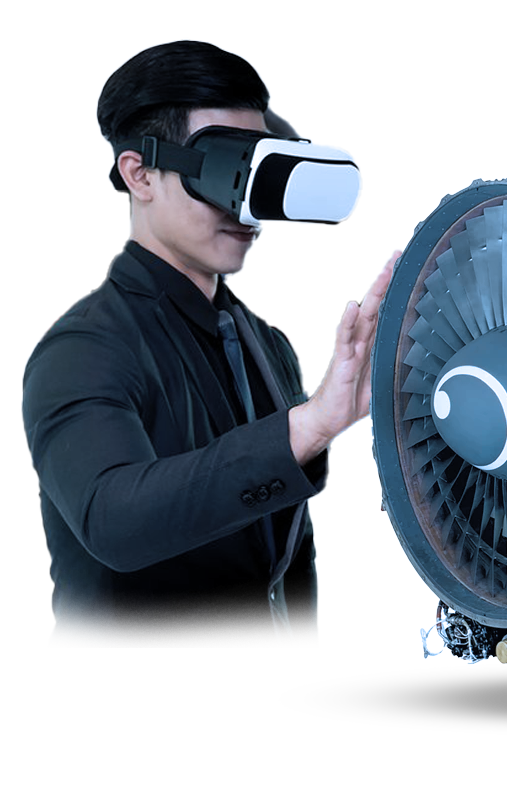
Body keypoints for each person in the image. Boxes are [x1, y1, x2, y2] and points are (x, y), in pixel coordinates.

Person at [21, 40, 400, 647]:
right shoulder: (82, 348)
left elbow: (285, 558)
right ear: (140, 173)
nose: (244, 210)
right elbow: (113, 522)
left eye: (258, 172)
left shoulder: (267, 345)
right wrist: (306, 426)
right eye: (223, 171)